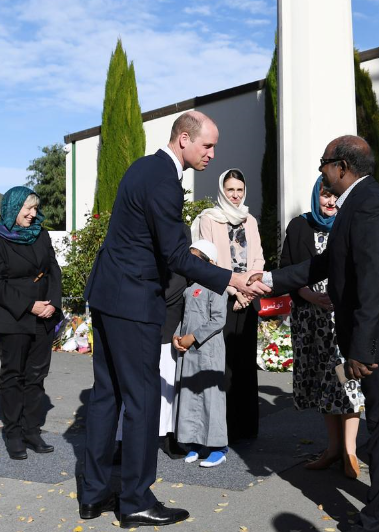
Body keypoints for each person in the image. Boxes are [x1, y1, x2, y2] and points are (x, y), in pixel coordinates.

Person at [78, 111, 269, 528]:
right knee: (143, 400)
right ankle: (135, 501)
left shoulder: (143, 168)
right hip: (133, 303)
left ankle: (93, 495)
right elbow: (177, 256)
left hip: (108, 296)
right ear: (184, 138)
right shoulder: (164, 179)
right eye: (207, 145)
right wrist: (232, 278)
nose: (212, 154)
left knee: (107, 396)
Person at [257, 135, 379, 532]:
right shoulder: (360, 201)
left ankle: (377, 522)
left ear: (341, 166)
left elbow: (373, 282)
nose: (321, 171)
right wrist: (269, 280)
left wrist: (362, 348)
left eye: (324, 163)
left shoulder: (369, 205)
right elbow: (326, 263)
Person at [279, 176, 363, 479]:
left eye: (333, 195)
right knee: (323, 383)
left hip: (342, 321)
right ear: (316, 196)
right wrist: (309, 295)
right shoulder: (299, 226)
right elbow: (287, 268)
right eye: (324, 195)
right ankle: (333, 448)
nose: (329, 201)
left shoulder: (350, 225)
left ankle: (350, 451)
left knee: (346, 380)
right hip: (310, 322)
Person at [0, 187, 62, 460]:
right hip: (12, 316)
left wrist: (53, 303)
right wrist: (30, 305)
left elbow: (53, 270)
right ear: (13, 208)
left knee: (36, 376)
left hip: (43, 315)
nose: (33, 214)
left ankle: (31, 430)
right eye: (28, 208)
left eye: (36, 208)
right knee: (13, 375)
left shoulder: (41, 234)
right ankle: (13, 433)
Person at [191, 168, 265, 441]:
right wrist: (235, 289)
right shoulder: (209, 219)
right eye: (230, 189)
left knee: (245, 363)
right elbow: (208, 261)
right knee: (223, 364)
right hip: (222, 297)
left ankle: (245, 427)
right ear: (222, 190)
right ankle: (222, 429)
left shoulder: (250, 220)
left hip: (249, 298)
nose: (235, 195)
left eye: (239, 190)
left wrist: (249, 290)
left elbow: (258, 259)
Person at [113, 225, 191, 460]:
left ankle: (168, 436)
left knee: (167, 384)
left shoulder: (180, 232)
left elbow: (179, 279)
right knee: (132, 385)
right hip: (137, 320)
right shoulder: (141, 231)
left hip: (166, 323)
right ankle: (123, 440)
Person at [172, 240, 229, 468]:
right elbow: (184, 317)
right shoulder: (189, 288)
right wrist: (177, 336)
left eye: (196, 259)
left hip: (208, 350)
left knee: (210, 397)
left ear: (210, 262)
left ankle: (218, 447)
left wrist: (193, 337)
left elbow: (218, 319)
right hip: (189, 350)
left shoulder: (217, 285)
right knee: (190, 394)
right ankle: (195, 442)